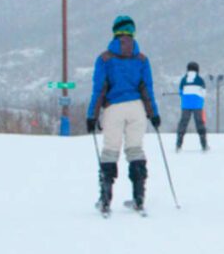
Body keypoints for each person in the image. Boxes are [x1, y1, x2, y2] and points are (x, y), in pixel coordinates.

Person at [86, 15, 161, 214]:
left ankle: (105, 198)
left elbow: (99, 89)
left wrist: (91, 115)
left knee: (110, 151)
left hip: (113, 109)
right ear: (132, 33)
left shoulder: (104, 59)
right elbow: (147, 89)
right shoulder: (142, 59)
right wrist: (153, 114)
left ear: (115, 32)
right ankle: (139, 197)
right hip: (137, 108)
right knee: (135, 150)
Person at [176, 61, 208, 152]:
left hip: (185, 105)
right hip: (198, 105)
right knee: (200, 123)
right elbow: (204, 93)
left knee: (183, 123)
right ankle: (204, 145)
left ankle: (178, 144)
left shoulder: (183, 80)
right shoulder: (200, 80)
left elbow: (181, 92)